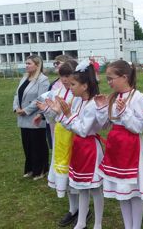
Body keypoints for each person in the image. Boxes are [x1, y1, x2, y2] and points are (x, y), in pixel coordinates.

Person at [48, 60, 104, 229]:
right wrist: (60, 114)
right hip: (79, 148)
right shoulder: (79, 101)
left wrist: (68, 115)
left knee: (94, 188)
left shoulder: (93, 104)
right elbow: (71, 125)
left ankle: (98, 224)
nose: (69, 87)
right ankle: (80, 222)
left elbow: (83, 129)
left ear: (85, 86)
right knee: (81, 187)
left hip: (90, 149)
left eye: (73, 84)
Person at [95, 60, 143, 229]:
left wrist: (125, 112)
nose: (108, 82)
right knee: (122, 192)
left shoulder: (138, 97)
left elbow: (139, 127)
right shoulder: (113, 97)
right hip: (116, 149)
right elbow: (104, 125)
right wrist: (101, 108)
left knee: (133, 193)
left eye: (111, 78)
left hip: (132, 148)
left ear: (124, 77)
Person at [35, 60, 80, 227]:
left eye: (68, 76)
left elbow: (77, 118)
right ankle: (72, 209)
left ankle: (82, 212)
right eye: (62, 76)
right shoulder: (60, 91)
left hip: (74, 139)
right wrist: (47, 111)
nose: (65, 80)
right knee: (64, 177)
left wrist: (60, 112)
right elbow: (53, 118)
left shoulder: (79, 94)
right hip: (60, 137)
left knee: (75, 176)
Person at [13, 55, 49, 180]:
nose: (26, 65)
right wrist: (16, 108)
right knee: (27, 144)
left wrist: (26, 110)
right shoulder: (24, 78)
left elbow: (41, 98)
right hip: (22, 118)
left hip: (35, 117)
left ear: (37, 65)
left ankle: (41, 170)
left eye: (29, 63)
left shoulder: (43, 80)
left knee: (37, 145)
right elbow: (17, 94)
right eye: (26, 63)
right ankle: (30, 169)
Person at [45, 55, 72, 150]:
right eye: (54, 63)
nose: (55, 65)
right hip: (56, 122)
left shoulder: (75, 88)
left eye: (58, 63)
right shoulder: (54, 84)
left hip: (69, 123)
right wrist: (45, 110)